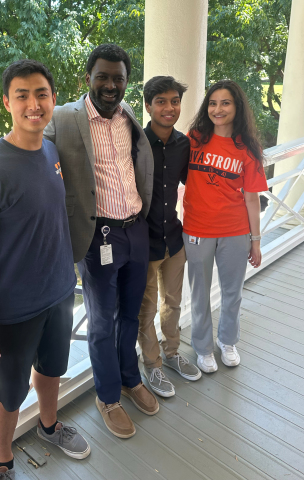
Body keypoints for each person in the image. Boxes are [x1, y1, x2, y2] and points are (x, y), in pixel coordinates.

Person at [0, 44, 158, 440]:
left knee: (129, 316)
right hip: (96, 236)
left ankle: (129, 379)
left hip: (127, 235)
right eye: (102, 76)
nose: (111, 84)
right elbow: (21, 137)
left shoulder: (129, 114)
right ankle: (108, 397)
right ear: (87, 79)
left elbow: (34, 146)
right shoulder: (64, 119)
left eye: (119, 78)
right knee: (101, 322)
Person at [0, 59, 90, 480]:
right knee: (10, 392)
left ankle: (49, 427)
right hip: (11, 309)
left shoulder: (51, 150)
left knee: (52, 371)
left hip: (59, 293)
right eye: (22, 95)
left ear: (52, 99)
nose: (33, 103)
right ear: (6, 102)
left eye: (41, 94)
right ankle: (3, 461)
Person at [182, 79, 268, 373]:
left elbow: (252, 198)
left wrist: (255, 240)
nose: (218, 109)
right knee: (199, 293)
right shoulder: (193, 138)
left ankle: (227, 341)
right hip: (196, 229)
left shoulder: (248, 149)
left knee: (233, 291)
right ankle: (203, 347)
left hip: (235, 231)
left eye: (225, 103)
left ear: (237, 107)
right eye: (213, 103)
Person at [138, 76, 202, 398]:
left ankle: (172, 353)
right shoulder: (135, 142)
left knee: (173, 303)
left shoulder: (184, 145)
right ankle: (152, 365)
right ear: (148, 105)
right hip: (144, 242)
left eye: (174, 101)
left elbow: (197, 183)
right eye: (161, 101)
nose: (169, 108)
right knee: (145, 310)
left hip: (174, 240)